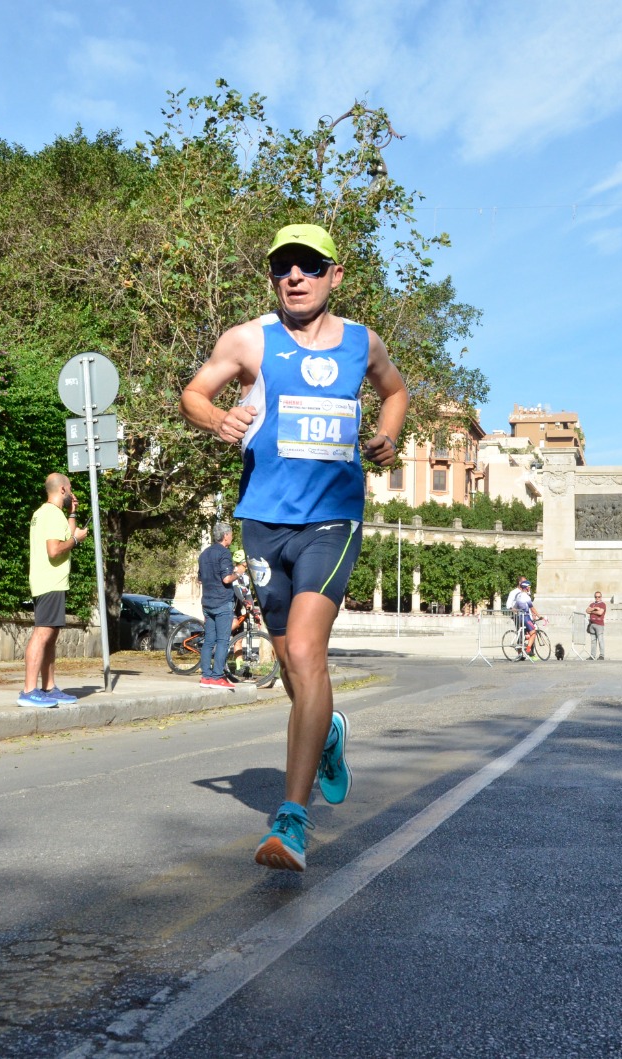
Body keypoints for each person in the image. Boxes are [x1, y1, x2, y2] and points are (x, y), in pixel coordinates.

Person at [180, 222, 408, 873]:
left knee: (307, 650)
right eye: (285, 267)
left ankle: (292, 817)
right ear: (274, 277)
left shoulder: (364, 343)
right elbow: (192, 393)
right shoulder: (250, 340)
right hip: (262, 522)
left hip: (332, 518)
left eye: (310, 265)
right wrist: (214, 416)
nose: (296, 277)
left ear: (336, 275)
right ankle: (327, 728)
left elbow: (396, 391)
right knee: (289, 662)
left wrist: (388, 435)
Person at [19, 472, 89, 707]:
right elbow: (55, 549)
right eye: (69, 489)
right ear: (62, 490)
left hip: (48, 581)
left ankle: (48, 687)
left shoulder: (46, 513)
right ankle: (29, 691)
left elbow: (65, 536)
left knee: (50, 637)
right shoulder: (51, 514)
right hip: (50, 582)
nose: (71, 493)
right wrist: (77, 541)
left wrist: (73, 514)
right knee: (42, 634)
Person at [197, 522, 241, 690]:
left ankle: (205, 676)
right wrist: (238, 572)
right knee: (223, 640)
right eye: (230, 534)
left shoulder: (204, 554)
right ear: (225, 536)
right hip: (222, 602)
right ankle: (217, 677)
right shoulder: (224, 553)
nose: (231, 537)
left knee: (209, 641)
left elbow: (200, 579)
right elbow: (226, 579)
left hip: (207, 603)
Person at [506, 578, 541, 660]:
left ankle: (530, 653)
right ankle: (521, 653)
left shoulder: (522, 594)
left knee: (529, 633)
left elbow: (526, 606)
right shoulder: (514, 593)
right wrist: (539, 615)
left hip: (527, 616)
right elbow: (509, 605)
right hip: (522, 617)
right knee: (528, 633)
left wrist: (533, 614)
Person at [585, 590, 607, 660]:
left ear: (601, 597)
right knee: (593, 641)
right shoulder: (592, 604)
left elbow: (600, 613)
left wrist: (592, 611)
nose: (597, 598)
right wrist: (595, 609)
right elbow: (587, 611)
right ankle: (592, 655)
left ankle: (602, 655)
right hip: (592, 624)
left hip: (599, 625)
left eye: (599, 597)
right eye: (596, 597)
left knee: (600, 640)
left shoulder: (602, 604)